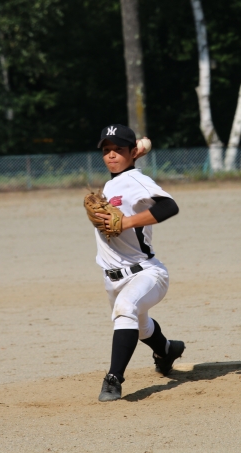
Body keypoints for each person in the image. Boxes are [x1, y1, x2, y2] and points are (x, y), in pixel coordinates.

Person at [90, 124, 185, 402]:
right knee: (140, 327)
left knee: (125, 310)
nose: (111, 155)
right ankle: (167, 350)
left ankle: (113, 379)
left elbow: (169, 206)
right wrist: (128, 153)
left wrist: (127, 222)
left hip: (147, 273)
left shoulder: (135, 180)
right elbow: (123, 164)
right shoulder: (113, 183)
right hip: (112, 278)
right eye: (106, 150)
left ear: (133, 152)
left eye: (118, 150)